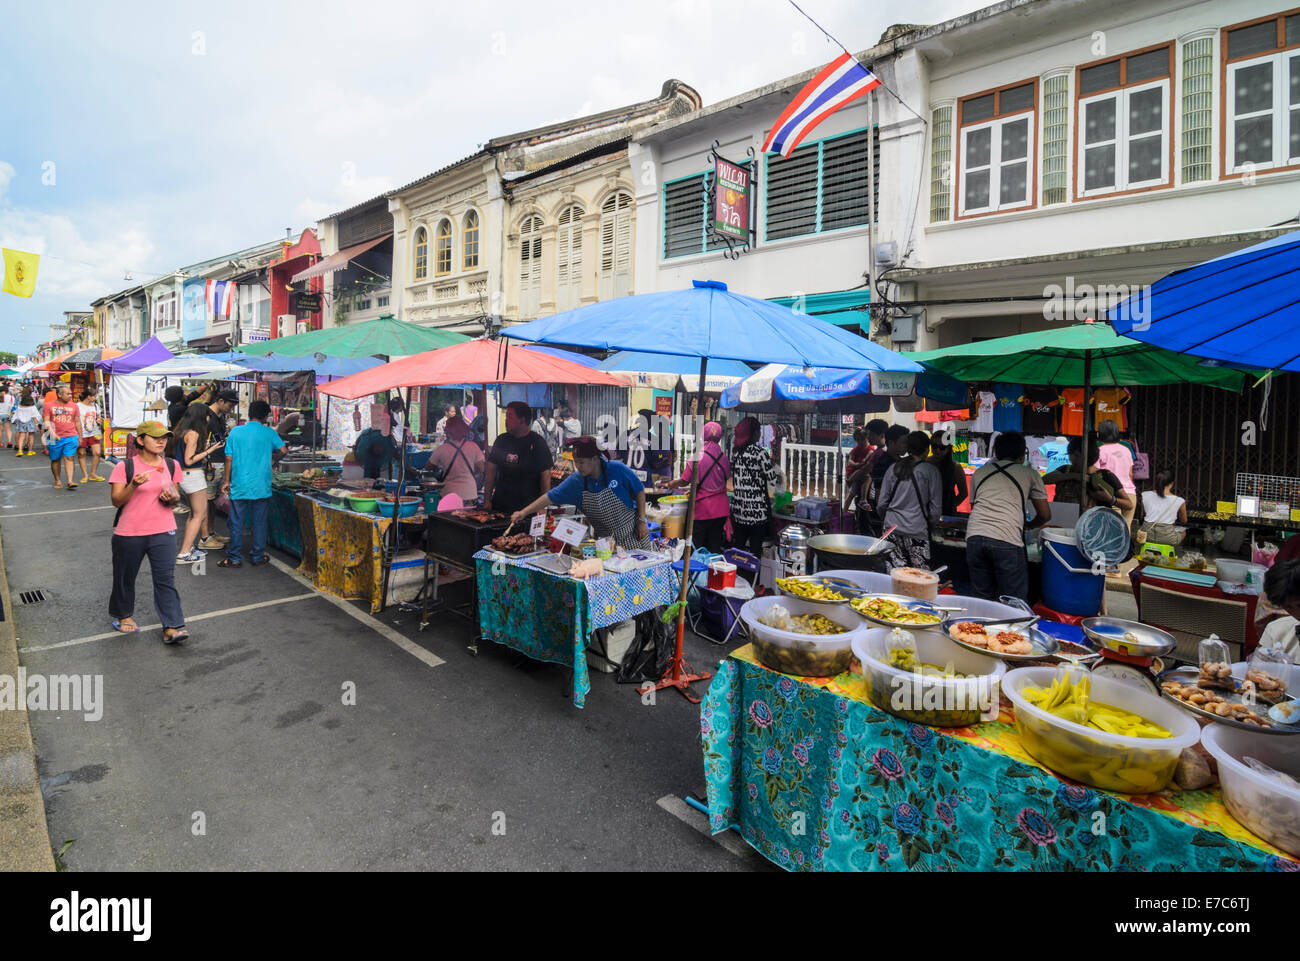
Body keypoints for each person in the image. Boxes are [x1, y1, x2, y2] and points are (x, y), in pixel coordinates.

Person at [107, 421, 188, 643]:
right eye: (155, 437)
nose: (161, 441)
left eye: (164, 437)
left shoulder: (171, 465)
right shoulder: (125, 466)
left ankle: (173, 625)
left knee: (165, 579)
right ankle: (123, 615)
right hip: (129, 532)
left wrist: (173, 498)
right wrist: (133, 485)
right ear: (140, 440)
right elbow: (116, 501)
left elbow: (175, 495)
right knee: (125, 577)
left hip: (164, 531)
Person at [511, 436, 650, 548]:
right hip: (606, 546)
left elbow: (639, 491)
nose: (578, 467)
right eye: (576, 462)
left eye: (581, 462)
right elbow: (549, 497)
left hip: (634, 537)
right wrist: (523, 512)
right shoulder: (577, 481)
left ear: (595, 459)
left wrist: (642, 521)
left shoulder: (617, 469)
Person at [965, 430, 1052, 601]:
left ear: (996, 452)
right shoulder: (1030, 473)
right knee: (1013, 600)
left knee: (981, 598)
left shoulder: (980, 473)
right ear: (1022, 453)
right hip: (1007, 539)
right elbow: (1045, 514)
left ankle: (979, 626)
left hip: (974, 537)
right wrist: (1030, 525)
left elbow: (976, 508)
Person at [219, 400, 286, 569]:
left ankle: (234, 558)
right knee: (259, 521)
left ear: (250, 414)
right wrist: (273, 461)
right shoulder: (269, 432)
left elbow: (228, 458)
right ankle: (257, 556)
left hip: (239, 483)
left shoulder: (236, 432)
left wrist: (227, 480)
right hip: (261, 484)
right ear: (265, 416)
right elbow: (284, 450)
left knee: (236, 521)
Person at [877, 431, 944, 569]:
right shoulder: (931, 471)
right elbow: (935, 510)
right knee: (918, 579)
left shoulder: (893, 468)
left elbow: (881, 504)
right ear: (927, 449)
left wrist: (888, 519)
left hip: (891, 528)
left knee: (894, 576)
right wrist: (927, 525)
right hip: (917, 530)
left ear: (908, 448)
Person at [666, 420, 731, 555]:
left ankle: (695, 575)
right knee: (714, 547)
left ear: (703, 435)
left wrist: (673, 484)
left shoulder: (697, 457)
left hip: (702, 509)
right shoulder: (724, 458)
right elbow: (724, 479)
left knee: (696, 547)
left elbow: (685, 481)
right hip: (721, 509)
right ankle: (712, 574)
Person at [171, 403, 224, 564]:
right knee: (199, 515)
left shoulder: (181, 431)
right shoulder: (193, 434)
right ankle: (185, 552)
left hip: (185, 476)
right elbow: (189, 459)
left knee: (193, 514)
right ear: (201, 416)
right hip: (193, 476)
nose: (209, 419)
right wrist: (209, 451)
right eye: (207, 416)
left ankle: (189, 548)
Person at [484, 401, 553, 517]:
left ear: (522, 420)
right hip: (500, 506)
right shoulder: (501, 440)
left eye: (510, 416)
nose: (506, 420)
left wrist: (543, 506)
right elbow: (491, 470)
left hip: (528, 508)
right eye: (506, 416)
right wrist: (487, 499)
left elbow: (545, 475)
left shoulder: (537, 442)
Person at [730, 415, 779, 556]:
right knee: (755, 551)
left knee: (739, 548)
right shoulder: (760, 453)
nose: (759, 434)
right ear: (753, 434)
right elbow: (772, 478)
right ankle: (753, 577)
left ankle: (738, 575)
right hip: (757, 513)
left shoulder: (736, 454)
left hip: (739, 511)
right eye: (758, 431)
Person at [428, 415, 485, 505]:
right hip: (469, 493)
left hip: (448, 495)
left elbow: (429, 467)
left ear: (448, 432)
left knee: (448, 519)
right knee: (467, 519)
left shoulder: (442, 449)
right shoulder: (473, 446)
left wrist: (438, 468)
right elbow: (483, 469)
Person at [1096, 419, 1137, 529]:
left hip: (1112, 494)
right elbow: (1130, 474)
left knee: (1112, 530)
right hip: (1130, 493)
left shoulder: (1100, 451)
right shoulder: (1126, 450)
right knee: (1125, 529)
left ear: (1100, 433)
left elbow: (1096, 474)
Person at [43, 383, 81, 490]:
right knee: (55, 459)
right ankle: (58, 480)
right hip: (53, 437)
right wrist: (52, 432)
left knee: (69, 457)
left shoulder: (74, 406)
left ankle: (70, 481)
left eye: (71, 393)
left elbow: (77, 422)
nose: (70, 395)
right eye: (68, 393)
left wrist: (80, 436)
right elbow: (46, 421)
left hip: (71, 436)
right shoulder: (48, 405)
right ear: (59, 394)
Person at [1138, 468, 1188, 549]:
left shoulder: (1145, 495)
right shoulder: (1179, 501)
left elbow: (1146, 512)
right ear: (1172, 483)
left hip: (1146, 535)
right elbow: (1184, 520)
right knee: (1184, 532)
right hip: (1167, 538)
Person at [929, 429, 969, 517]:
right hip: (927, 513)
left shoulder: (955, 467)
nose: (937, 450)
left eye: (942, 447)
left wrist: (951, 505)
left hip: (947, 513)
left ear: (948, 448)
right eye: (934, 446)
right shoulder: (925, 464)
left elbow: (963, 493)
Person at [75, 388, 105, 483]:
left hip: (94, 432)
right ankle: (85, 475)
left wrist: (99, 420)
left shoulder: (96, 406)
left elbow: (98, 416)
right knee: (81, 453)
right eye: (94, 396)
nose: (96, 398)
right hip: (81, 433)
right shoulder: (77, 406)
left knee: (97, 453)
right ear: (89, 396)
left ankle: (93, 473)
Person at [12, 389, 39, 456]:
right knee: (31, 436)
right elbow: (34, 417)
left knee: (21, 436)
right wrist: (36, 425)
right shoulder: (32, 407)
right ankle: (30, 451)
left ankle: (20, 451)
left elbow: (16, 415)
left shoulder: (19, 407)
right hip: (30, 422)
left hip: (21, 423)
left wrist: (13, 420)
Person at [0, 383, 14, 449]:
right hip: (7, 415)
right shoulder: (11, 397)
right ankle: (9, 442)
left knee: (0, 430)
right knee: (8, 429)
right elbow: (12, 406)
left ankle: (1, 443)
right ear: (7, 390)